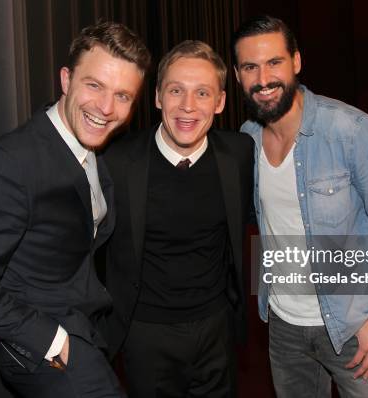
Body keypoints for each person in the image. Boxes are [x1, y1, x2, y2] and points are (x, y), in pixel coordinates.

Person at [0, 22, 150, 398]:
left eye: (123, 95)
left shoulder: (93, 151)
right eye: (94, 85)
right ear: (66, 79)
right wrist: (51, 340)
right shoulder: (9, 162)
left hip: (82, 328)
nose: (106, 108)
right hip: (40, 344)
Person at [232, 16, 368, 398]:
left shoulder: (350, 130)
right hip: (284, 327)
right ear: (237, 76)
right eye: (251, 67)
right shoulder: (246, 140)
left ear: (296, 62)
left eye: (274, 63)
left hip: (353, 324)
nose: (263, 78)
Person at [102, 40, 254, 398]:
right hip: (145, 334)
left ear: (219, 102)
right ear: (157, 97)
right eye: (176, 91)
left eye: (202, 93)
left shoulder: (239, 154)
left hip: (217, 328)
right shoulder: (117, 162)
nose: (188, 106)